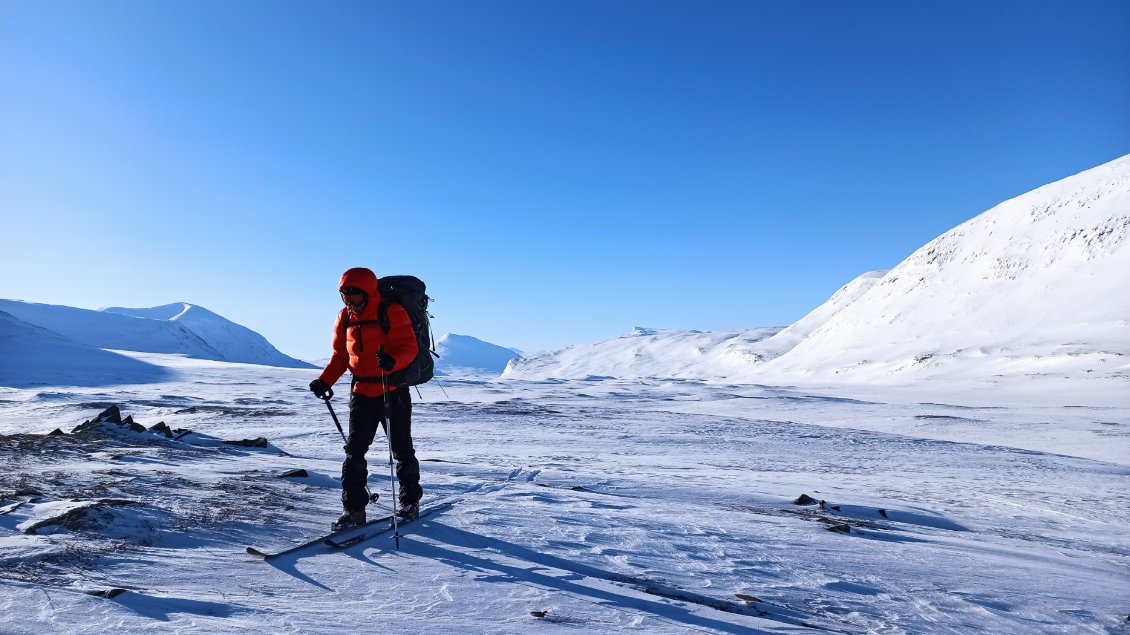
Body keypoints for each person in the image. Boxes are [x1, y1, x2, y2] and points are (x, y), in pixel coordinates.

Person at [309, 267, 421, 529]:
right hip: (361, 393)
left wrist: (392, 362)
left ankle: (410, 503)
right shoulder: (345, 318)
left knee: (402, 450)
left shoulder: (391, 312)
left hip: (391, 390)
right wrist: (325, 380)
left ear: (369, 294)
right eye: (345, 297)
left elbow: (408, 347)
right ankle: (354, 510)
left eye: (355, 297)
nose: (350, 302)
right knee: (354, 452)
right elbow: (340, 356)